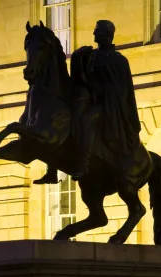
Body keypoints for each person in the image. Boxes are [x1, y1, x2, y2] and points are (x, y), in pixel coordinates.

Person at [34, 20, 141, 184]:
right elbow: (80, 77)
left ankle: (81, 163)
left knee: (85, 119)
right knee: (60, 117)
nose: (93, 33)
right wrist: (77, 57)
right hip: (90, 100)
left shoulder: (119, 61)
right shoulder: (93, 55)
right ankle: (52, 169)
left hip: (108, 107)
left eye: (97, 30)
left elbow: (122, 91)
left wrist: (99, 89)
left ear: (107, 34)